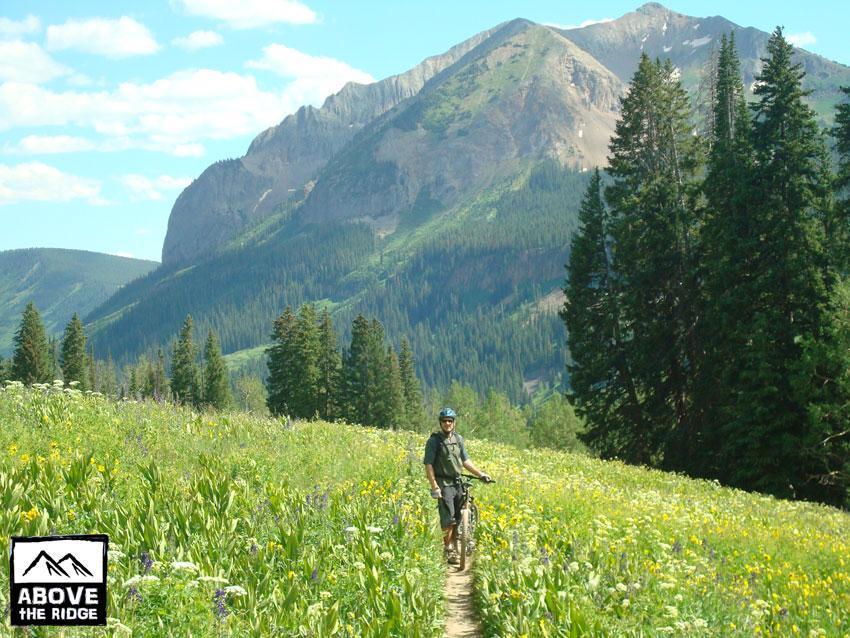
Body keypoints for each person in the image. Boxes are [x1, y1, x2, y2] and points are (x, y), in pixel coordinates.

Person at [423, 407, 491, 564]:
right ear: (440, 423)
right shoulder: (434, 441)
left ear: (454, 423)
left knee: (460, 516)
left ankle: (461, 541)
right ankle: (448, 550)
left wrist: (480, 474)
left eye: (450, 421)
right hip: (443, 483)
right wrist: (434, 486)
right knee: (448, 519)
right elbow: (429, 465)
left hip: (457, 481)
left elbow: (465, 461)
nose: (447, 423)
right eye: (444, 421)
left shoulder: (458, 439)